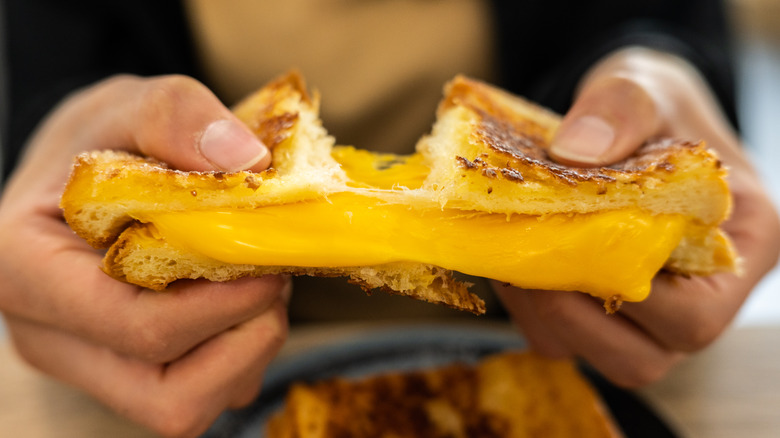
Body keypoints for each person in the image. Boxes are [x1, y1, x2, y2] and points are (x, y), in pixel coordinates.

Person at [1, 1, 778, 437]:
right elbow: (56, 64)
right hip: (216, 359)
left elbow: (654, 16)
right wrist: (52, 130)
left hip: (557, 337)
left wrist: (660, 71)